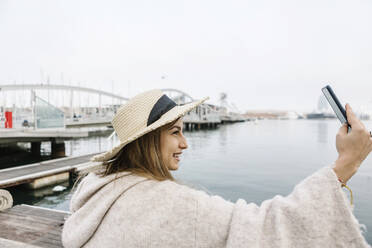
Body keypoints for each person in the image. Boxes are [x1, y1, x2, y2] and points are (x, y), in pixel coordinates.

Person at [62, 89, 372, 248]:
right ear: (145, 142)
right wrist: (346, 163)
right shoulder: (172, 206)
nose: (185, 144)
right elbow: (265, 228)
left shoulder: (99, 190)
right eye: (175, 133)